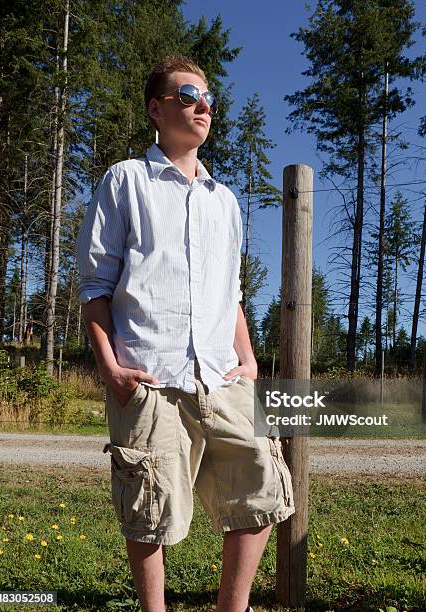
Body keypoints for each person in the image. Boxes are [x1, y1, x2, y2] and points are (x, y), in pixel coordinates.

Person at [76, 54, 295, 612]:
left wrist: (247, 362)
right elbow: (96, 285)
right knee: (150, 507)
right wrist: (110, 367)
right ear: (157, 108)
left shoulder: (226, 201)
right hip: (150, 374)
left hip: (223, 375)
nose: (203, 106)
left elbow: (233, 294)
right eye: (188, 94)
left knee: (261, 486)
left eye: (208, 99)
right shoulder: (126, 181)